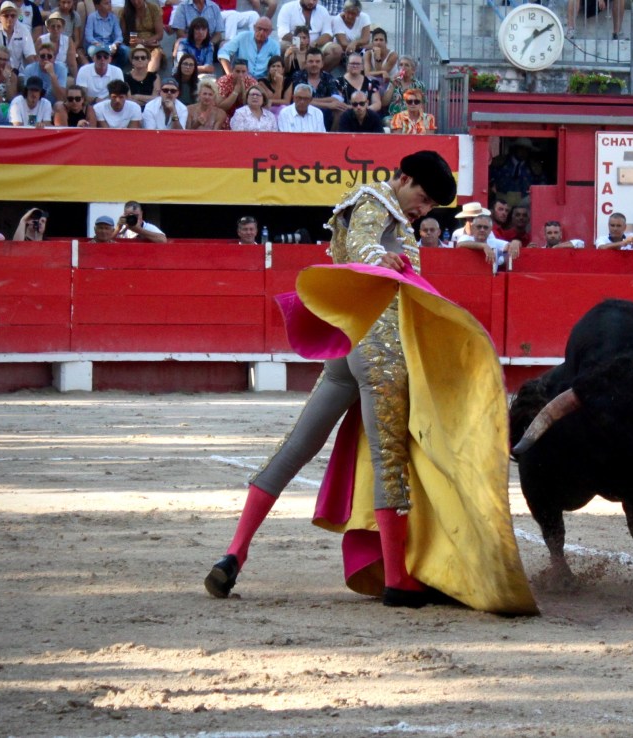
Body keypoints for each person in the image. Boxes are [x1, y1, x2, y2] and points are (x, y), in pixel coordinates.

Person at [203, 150, 535, 614]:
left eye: (430, 206)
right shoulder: (375, 202)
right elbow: (363, 245)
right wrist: (383, 259)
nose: (422, 209)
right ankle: (398, 579)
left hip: (349, 344)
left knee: (297, 445)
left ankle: (234, 553)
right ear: (403, 178)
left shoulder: (383, 207)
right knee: (389, 459)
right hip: (380, 348)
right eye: (422, 197)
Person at [291, 47, 345, 128]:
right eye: (311, 61)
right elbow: (298, 100)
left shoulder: (328, 77)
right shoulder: (298, 76)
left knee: (339, 109)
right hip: (304, 110)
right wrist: (328, 105)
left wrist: (309, 100)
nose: (314, 64)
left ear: (322, 63)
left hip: (325, 113)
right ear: (305, 63)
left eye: (317, 61)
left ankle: (331, 135)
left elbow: (335, 98)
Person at [0, 1, 36, 71]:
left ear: (16, 17)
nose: (9, 18)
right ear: (0, 18)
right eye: (6, 16)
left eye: (12, 16)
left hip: (17, 72)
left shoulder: (23, 30)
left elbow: (30, 56)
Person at [121, 0, 163, 73]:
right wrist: (140, 43)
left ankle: (149, 75)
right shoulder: (125, 12)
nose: (136, 2)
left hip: (151, 43)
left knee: (156, 54)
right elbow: (124, 35)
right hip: (134, 44)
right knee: (139, 54)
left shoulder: (153, 9)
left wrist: (145, 42)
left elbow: (159, 34)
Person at [19, 40, 67, 104]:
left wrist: (52, 75)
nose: (46, 58)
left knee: (60, 105)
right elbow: (27, 94)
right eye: (42, 56)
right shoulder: (29, 69)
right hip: (35, 103)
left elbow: (61, 98)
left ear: (54, 58)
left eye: (49, 56)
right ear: (38, 58)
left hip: (53, 104)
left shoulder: (61, 69)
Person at [381, 54, 424, 124]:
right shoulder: (394, 82)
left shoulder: (419, 85)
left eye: (406, 65)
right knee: (387, 121)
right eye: (401, 65)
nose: (403, 68)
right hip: (394, 117)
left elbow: (422, 106)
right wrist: (392, 85)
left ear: (413, 70)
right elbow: (384, 103)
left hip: (412, 117)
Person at [215, 57, 257, 126]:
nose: (240, 75)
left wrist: (243, 90)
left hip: (245, 114)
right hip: (226, 114)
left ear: (247, 71)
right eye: (237, 71)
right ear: (232, 70)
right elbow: (220, 107)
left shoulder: (252, 82)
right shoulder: (223, 81)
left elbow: (250, 106)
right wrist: (236, 91)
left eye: (243, 72)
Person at [83, 0, 126, 68]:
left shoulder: (113, 17)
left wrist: (114, 45)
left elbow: (119, 36)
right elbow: (88, 36)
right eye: (106, 3)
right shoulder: (92, 17)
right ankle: (98, 68)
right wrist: (97, 44)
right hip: (96, 45)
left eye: (110, 2)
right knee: (92, 51)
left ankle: (116, 68)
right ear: (98, 6)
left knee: (125, 50)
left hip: (110, 45)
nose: (109, 5)